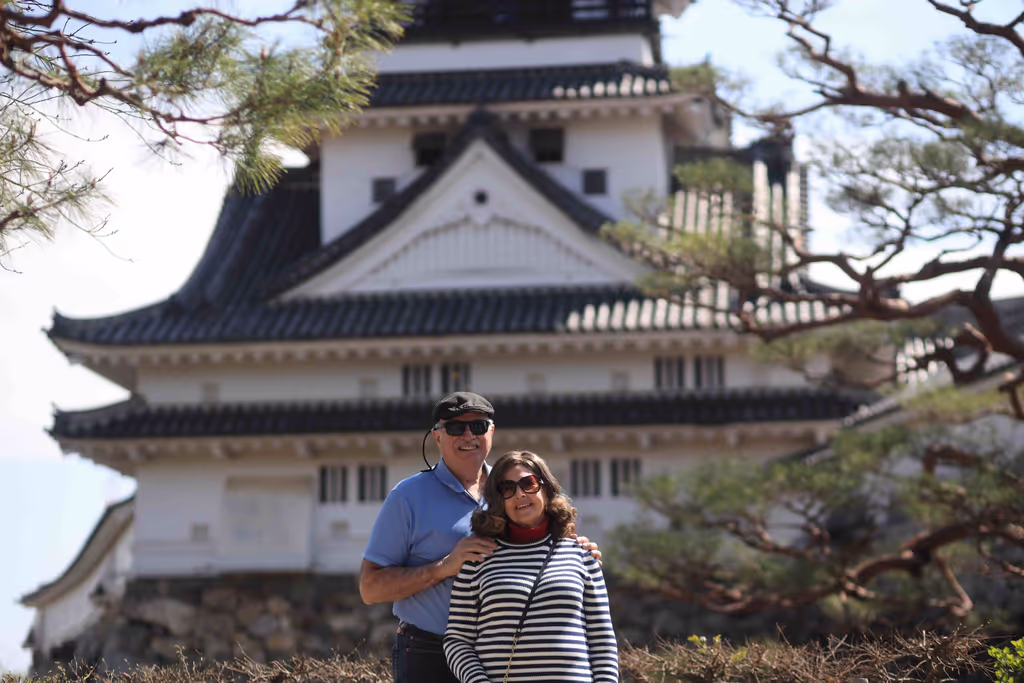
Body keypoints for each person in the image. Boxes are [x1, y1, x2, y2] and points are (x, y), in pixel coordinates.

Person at [359, 392, 601, 683]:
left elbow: (542, 542)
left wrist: (575, 550)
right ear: (437, 436)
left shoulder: (511, 488)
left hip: (503, 657)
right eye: (454, 428)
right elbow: (370, 589)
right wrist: (445, 566)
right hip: (429, 650)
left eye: (477, 426)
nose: (467, 435)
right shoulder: (407, 496)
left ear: (492, 432)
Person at [444, 450, 619, 683]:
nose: (519, 494)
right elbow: (457, 640)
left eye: (529, 483)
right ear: (498, 499)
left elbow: (602, 640)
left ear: (546, 489)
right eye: (507, 488)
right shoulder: (477, 557)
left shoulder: (582, 555)